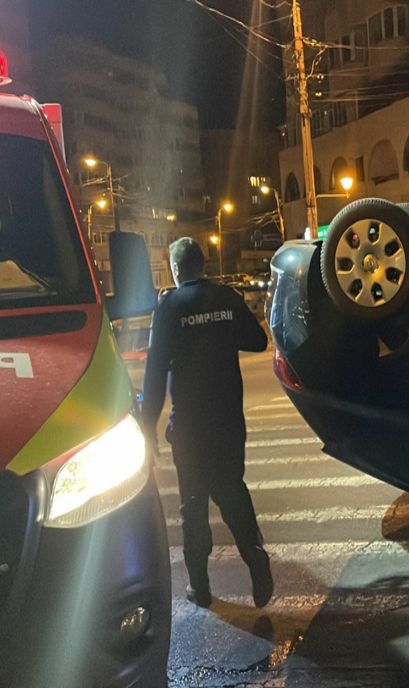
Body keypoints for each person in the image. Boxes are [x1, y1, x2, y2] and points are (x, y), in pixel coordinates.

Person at [141, 237, 273, 608]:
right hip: (229, 421)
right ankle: (255, 556)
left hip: (190, 428)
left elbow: (152, 376)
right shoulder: (227, 298)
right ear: (203, 264)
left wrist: (147, 427)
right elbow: (257, 340)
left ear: (176, 268)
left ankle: (200, 587)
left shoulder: (168, 308)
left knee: (193, 505)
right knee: (231, 488)